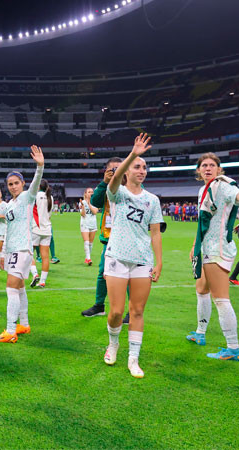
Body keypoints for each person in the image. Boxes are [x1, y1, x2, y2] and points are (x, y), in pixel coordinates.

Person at [102, 133, 163, 378]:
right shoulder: (118, 193)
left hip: (142, 261)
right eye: (138, 167)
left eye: (144, 167)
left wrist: (159, 262)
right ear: (128, 171)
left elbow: (156, 233)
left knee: (136, 311)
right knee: (116, 312)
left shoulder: (153, 200)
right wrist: (133, 154)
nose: (142, 170)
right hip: (117, 256)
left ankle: (133, 358)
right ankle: (113, 344)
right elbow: (115, 179)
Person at [187, 153, 239, 361]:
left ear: (219, 169)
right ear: (199, 170)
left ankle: (233, 348)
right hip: (205, 246)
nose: (207, 168)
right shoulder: (204, 188)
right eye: (204, 165)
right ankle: (200, 334)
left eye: (212, 165)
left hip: (217, 249)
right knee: (201, 289)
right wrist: (195, 244)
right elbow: (203, 222)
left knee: (221, 298)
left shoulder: (225, 185)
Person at [0, 145, 45, 343]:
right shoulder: (10, 204)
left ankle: (10, 330)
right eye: (10, 184)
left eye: (16, 183)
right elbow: (8, 228)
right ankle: (24, 324)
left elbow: (35, 185)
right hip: (15, 250)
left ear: (22, 183)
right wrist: (4, 253)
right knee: (20, 288)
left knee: (11, 289)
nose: (13, 186)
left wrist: (40, 167)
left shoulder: (25, 197)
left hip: (22, 250)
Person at [81, 157, 123, 318]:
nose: (115, 172)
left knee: (129, 276)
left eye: (119, 168)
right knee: (103, 272)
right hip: (110, 236)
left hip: (128, 236)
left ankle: (131, 311)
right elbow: (96, 202)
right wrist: (104, 182)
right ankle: (99, 305)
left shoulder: (131, 185)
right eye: (112, 169)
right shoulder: (105, 186)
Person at [29, 179, 53, 287]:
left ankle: (34, 274)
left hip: (35, 229)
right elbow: (50, 215)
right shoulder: (50, 197)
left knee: (29, 253)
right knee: (45, 257)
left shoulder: (34, 196)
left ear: (38, 186)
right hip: (47, 230)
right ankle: (42, 281)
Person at [79, 187, 99, 265]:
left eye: (92, 192)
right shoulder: (82, 202)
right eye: (89, 192)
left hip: (93, 224)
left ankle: (87, 257)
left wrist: (89, 204)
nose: (91, 193)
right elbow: (82, 214)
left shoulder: (96, 202)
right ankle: (88, 258)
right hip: (84, 223)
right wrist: (83, 206)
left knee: (91, 243)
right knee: (86, 242)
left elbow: (95, 212)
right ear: (85, 194)